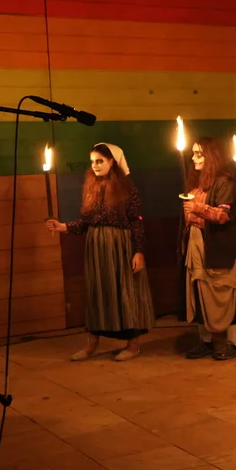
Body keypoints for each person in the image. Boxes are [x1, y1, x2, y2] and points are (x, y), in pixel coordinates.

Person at [47, 143, 154, 361]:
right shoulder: (91, 187)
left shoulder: (128, 189)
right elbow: (85, 222)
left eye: (100, 161)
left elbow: (136, 222)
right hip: (96, 248)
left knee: (126, 292)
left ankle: (133, 345)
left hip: (120, 246)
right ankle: (92, 344)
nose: (95, 165)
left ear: (112, 161)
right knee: (98, 293)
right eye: (93, 161)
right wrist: (63, 227)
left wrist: (139, 252)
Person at [182, 137, 236, 361]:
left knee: (226, 291)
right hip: (197, 247)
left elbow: (222, 215)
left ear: (211, 156)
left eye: (199, 154)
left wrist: (198, 208)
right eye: (193, 153)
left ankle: (233, 343)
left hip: (218, 247)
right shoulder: (197, 183)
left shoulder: (225, 182)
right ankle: (206, 341)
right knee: (200, 290)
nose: (194, 158)